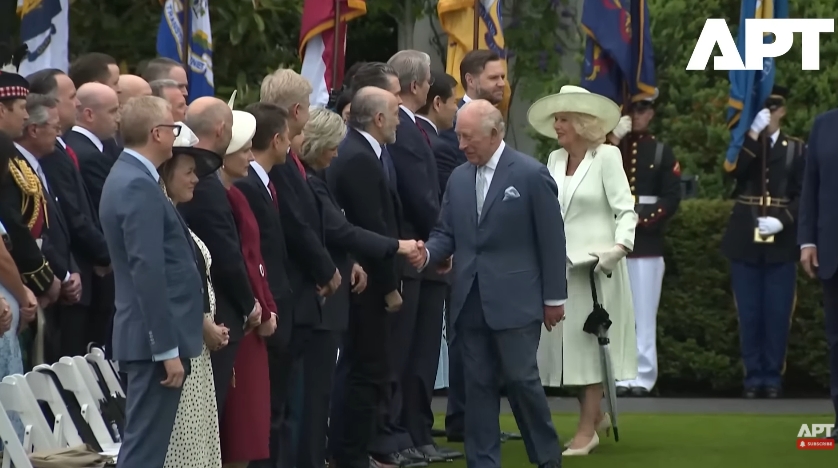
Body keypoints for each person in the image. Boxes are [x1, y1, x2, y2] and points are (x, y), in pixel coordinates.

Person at [407, 99, 564, 468]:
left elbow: (552, 240)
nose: (461, 145)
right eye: (458, 136)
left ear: (494, 134)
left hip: (516, 302)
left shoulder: (530, 174)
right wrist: (427, 254)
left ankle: (546, 458)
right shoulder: (459, 178)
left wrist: (554, 298)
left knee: (523, 383)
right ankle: (482, 462)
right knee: (476, 389)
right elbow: (447, 231)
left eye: (468, 137)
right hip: (468, 301)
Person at [298, 106, 424, 468]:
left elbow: (334, 229)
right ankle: (345, 455)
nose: (336, 154)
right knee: (342, 381)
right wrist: (396, 248)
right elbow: (340, 229)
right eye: (331, 147)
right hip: (322, 299)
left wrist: (349, 261)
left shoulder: (317, 175)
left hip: (342, 283)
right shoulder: (323, 173)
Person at [529, 85, 637, 455]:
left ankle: (586, 430)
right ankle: (596, 415)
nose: (557, 125)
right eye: (556, 118)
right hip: (562, 270)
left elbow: (626, 210)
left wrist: (619, 248)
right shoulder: (554, 159)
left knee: (590, 350)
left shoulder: (607, 156)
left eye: (563, 118)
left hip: (598, 271)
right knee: (567, 351)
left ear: (582, 122)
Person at [99, 95, 205, 468]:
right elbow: (148, 269)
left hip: (150, 339)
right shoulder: (135, 184)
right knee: (145, 450)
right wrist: (165, 348)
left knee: (148, 447)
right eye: (173, 129)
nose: (176, 136)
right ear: (157, 133)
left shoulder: (135, 177)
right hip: (151, 342)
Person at [260, 68, 340, 468]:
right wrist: (327, 270)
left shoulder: (289, 158)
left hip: (297, 297)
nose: (309, 116)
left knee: (292, 405)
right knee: (283, 408)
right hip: (288, 294)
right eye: (308, 108)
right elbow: (296, 223)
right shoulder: (277, 162)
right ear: (295, 110)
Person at [326, 87, 405, 468]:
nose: (399, 120)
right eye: (395, 113)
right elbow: (371, 226)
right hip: (367, 286)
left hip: (362, 278)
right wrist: (390, 287)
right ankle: (350, 455)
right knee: (366, 372)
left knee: (362, 369)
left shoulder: (360, 152)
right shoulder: (359, 158)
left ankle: (350, 452)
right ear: (377, 119)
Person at [439, 50, 515, 444]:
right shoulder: (457, 128)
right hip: (460, 261)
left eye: (504, 77)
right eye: (494, 77)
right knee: (466, 347)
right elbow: (446, 195)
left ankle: (479, 424)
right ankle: (464, 422)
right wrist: (437, 248)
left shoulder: (496, 129)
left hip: (494, 273)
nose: (502, 83)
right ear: (470, 80)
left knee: (490, 359)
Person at [179, 97, 260, 417]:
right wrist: (248, 304)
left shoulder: (208, 181)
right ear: (221, 129)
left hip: (214, 313)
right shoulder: (207, 186)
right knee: (210, 413)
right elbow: (225, 254)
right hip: (218, 311)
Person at [722, 85, 804, 399]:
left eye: (774, 107)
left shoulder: (796, 149)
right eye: (764, 107)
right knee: (750, 312)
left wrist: (783, 220)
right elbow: (735, 173)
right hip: (746, 237)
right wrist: (751, 138)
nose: (768, 112)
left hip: (780, 240)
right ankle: (752, 376)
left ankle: (772, 376)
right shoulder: (746, 145)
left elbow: (803, 193)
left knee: (778, 312)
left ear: (783, 111)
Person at [33, 74, 115, 358]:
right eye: (71, 98)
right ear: (51, 103)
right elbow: (68, 215)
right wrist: (105, 255)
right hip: (71, 279)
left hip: (81, 276)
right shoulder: (49, 154)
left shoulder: (60, 149)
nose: (77, 102)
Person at [160, 122, 225, 468]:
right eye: (188, 171)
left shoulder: (174, 213)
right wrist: (203, 324)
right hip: (181, 342)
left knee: (197, 438)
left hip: (194, 346)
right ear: (168, 170)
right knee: (181, 442)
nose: (195, 179)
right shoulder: (162, 213)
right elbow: (169, 283)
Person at [609, 95, 682, 397]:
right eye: (632, 109)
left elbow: (671, 197)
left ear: (651, 114)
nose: (637, 115)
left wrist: (644, 219)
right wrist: (613, 139)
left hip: (646, 241)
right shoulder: (612, 150)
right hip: (613, 238)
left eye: (642, 109)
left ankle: (643, 375)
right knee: (617, 313)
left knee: (643, 313)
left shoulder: (661, 151)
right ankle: (618, 375)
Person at [218, 105, 276, 468]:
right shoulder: (224, 198)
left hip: (255, 317)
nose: (250, 156)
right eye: (243, 150)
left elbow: (257, 258)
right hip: (241, 318)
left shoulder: (237, 194)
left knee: (250, 425)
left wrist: (267, 306)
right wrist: (259, 310)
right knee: (236, 428)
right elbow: (235, 261)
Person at [14, 93, 80, 364]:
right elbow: (30, 232)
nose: (60, 131)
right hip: (38, 288)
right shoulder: (15, 169)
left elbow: (58, 227)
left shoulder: (37, 165)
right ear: (33, 130)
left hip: (56, 284)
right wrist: (59, 277)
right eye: (54, 126)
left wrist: (71, 270)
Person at [799, 106, 838, 442]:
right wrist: (807, 240)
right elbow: (810, 188)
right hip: (832, 250)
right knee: (837, 342)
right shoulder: (824, 125)